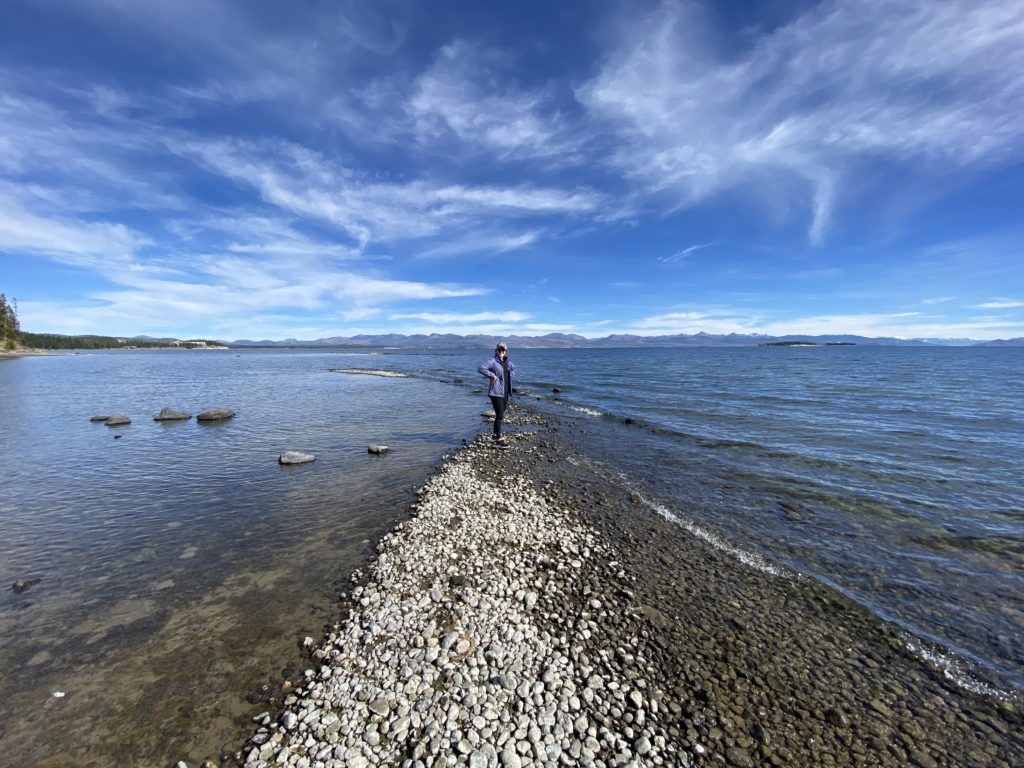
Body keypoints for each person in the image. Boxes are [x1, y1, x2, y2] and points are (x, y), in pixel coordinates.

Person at [478, 342, 516, 446]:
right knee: (500, 415)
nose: (501, 352)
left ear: (506, 351)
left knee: (500, 414)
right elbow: (481, 368)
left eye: (503, 350)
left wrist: (511, 374)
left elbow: (514, 368)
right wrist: (492, 375)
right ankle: (498, 439)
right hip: (495, 392)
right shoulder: (492, 361)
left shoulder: (508, 362)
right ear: (496, 350)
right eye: (499, 350)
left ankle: (495, 435)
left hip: (505, 392)